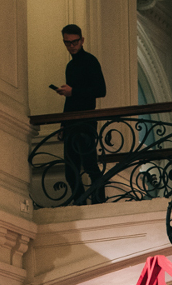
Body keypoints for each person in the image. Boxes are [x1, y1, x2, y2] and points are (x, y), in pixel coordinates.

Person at [56, 23, 105, 205]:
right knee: (71, 170)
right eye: (67, 43)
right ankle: (81, 203)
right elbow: (70, 100)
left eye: (74, 42)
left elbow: (101, 89)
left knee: (90, 164)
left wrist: (73, 92)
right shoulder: (71, 66)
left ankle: (98, 202)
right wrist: (62, 124)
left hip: (85, 122)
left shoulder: (90, 61)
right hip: (71, 123)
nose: (71, 46)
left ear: (82, 40)